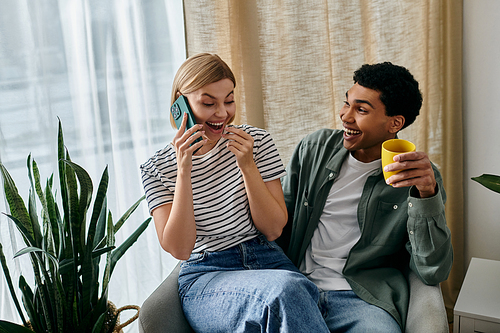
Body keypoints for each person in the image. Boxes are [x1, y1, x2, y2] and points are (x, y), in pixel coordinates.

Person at [140, 53, 330, 332]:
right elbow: (180, 248)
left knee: (282, 301)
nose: (222, 113)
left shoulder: (257, 142)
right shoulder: (156, 168)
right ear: (180, 103)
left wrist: (247, 165)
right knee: (286, 292)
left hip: (268, 260)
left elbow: (274, 228)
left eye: (229, 100)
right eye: (208, 103)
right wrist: (184, 171)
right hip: (206, 276)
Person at [279, 62, 453, 332]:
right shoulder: (313, 149)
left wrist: (426, 195)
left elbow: (433, 270)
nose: (345, 116)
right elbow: (278, 223)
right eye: (346, 103)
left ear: (394, 123)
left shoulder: (420, 179)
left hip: (363, 299)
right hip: (296, 290)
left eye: (361, 110)